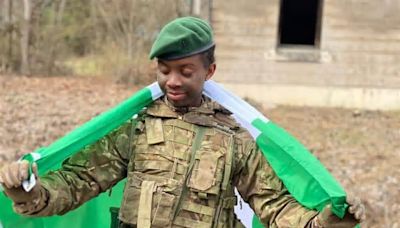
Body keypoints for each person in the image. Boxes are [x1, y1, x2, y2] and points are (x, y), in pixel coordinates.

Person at [0, 17, 365, 227]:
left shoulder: (236, 140)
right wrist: (28, 192)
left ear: (210, 71)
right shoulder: (137, 129)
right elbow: (77, 181)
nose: (173, 81)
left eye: (185, 71)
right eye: (164, 70)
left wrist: (320, 224)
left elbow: (275, 205)